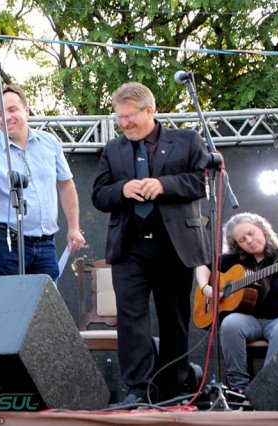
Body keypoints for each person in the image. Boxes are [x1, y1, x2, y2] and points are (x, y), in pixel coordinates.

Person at [91, 82, 210, 404]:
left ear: (150, 110)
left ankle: (175, 389)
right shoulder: (113, 149)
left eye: (129, 116)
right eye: (119, 117)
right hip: (130, 248)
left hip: (174, 246)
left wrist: (164, 185)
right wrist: (122, 190)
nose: (124, 123)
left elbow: (201, 182)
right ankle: (139, 391)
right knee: (131, 321)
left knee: (174, 319)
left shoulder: (187, 140)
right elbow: (99, 195)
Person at [0, 85, 85, 279]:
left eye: (12, 110)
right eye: (0, 113)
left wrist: (74, 227)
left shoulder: (50, 142)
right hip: (7, 243)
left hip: (46, 244)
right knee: (12, 299)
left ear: (26, 111)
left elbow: (66, 184)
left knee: (47, 298)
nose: (6, 117)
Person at [195, 213, 278, 394]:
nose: (249, 241)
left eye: (251, 233)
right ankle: (238, 388)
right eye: (242, 240)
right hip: (250, 321)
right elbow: (202, 265)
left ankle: (267, 389)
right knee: (230, 323)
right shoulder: (236, 259)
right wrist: (206, 287)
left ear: (262, 229)